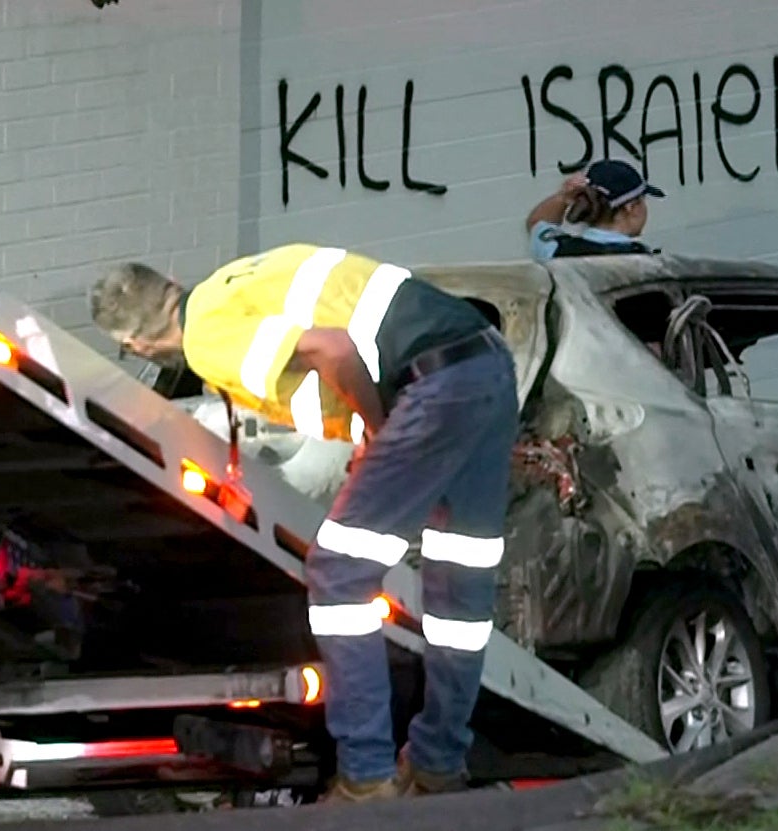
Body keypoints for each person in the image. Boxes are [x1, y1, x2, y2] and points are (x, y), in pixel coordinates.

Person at [87, 244, 519, 802]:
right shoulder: (232, 282)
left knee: (338, 575)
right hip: (484, 365)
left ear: (135, 345)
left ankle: (365, 777)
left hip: (429, 388)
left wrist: (375, 426)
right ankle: (438, 765)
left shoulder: (205, 337)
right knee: (460, 585)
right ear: (170, 281)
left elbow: (331, 348)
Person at [525, 158, 664, 261]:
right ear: (631, 207)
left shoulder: (556, 250)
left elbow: (537, 222)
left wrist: (563, 197)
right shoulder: (645, 262)